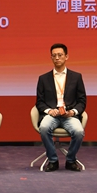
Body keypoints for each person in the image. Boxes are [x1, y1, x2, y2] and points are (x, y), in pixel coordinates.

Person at [36, 43, 87, 172]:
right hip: (52, 115)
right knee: (44, 127)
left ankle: (71, 160)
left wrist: (73, 112)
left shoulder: (76, 77)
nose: (57, 58)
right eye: (54, 56)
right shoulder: (43, 78)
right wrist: (49, 111)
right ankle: (53, 160)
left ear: (66, 56)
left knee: (79, 131)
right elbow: (39, 102)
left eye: (60, 55)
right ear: (51, 58)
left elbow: (82, 101)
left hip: (69, 115)